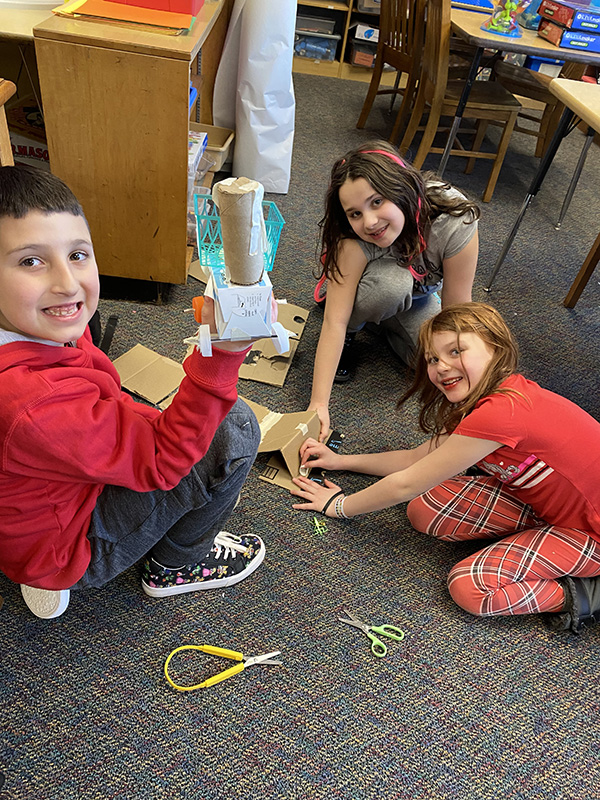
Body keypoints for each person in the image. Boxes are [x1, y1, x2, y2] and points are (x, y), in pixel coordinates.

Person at [0, 164, 264, 620]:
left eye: (78, 254)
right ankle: (176, 565)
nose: (67, 283)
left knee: (148, 421)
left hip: (34, 509)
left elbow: (91, 402)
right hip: (66, 545)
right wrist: (220, 356)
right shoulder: (33, 401)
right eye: (31, 260)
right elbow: (160, 461)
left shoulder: (31, 325)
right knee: (233, 427)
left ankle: (36, 557)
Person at [292, 302, 600, 634]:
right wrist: (340, 461)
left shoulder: (502, 412)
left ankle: (582, 596)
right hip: (546, 503)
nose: (441, 367)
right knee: (423, 511)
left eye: (456, 351)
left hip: (592, 533)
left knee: (468, 588)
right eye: (433, 359)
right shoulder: (484, 402)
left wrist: (339, 507)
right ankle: (535, 539)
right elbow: (415, 460)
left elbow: (405, 484)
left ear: (495, 347)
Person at [309, 140, 480, 442]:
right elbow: (333, 322)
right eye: (355, 213)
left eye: (377, 202)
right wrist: (318, 406)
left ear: (400, 189)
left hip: (419, 298)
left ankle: (387, 326)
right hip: (377, 287)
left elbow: (458, 314)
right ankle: (360, 325)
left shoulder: (454, 219)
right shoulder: (353, 238)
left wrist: (470, 382)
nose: (370, 222)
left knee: (436, 368)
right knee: (389, 288)